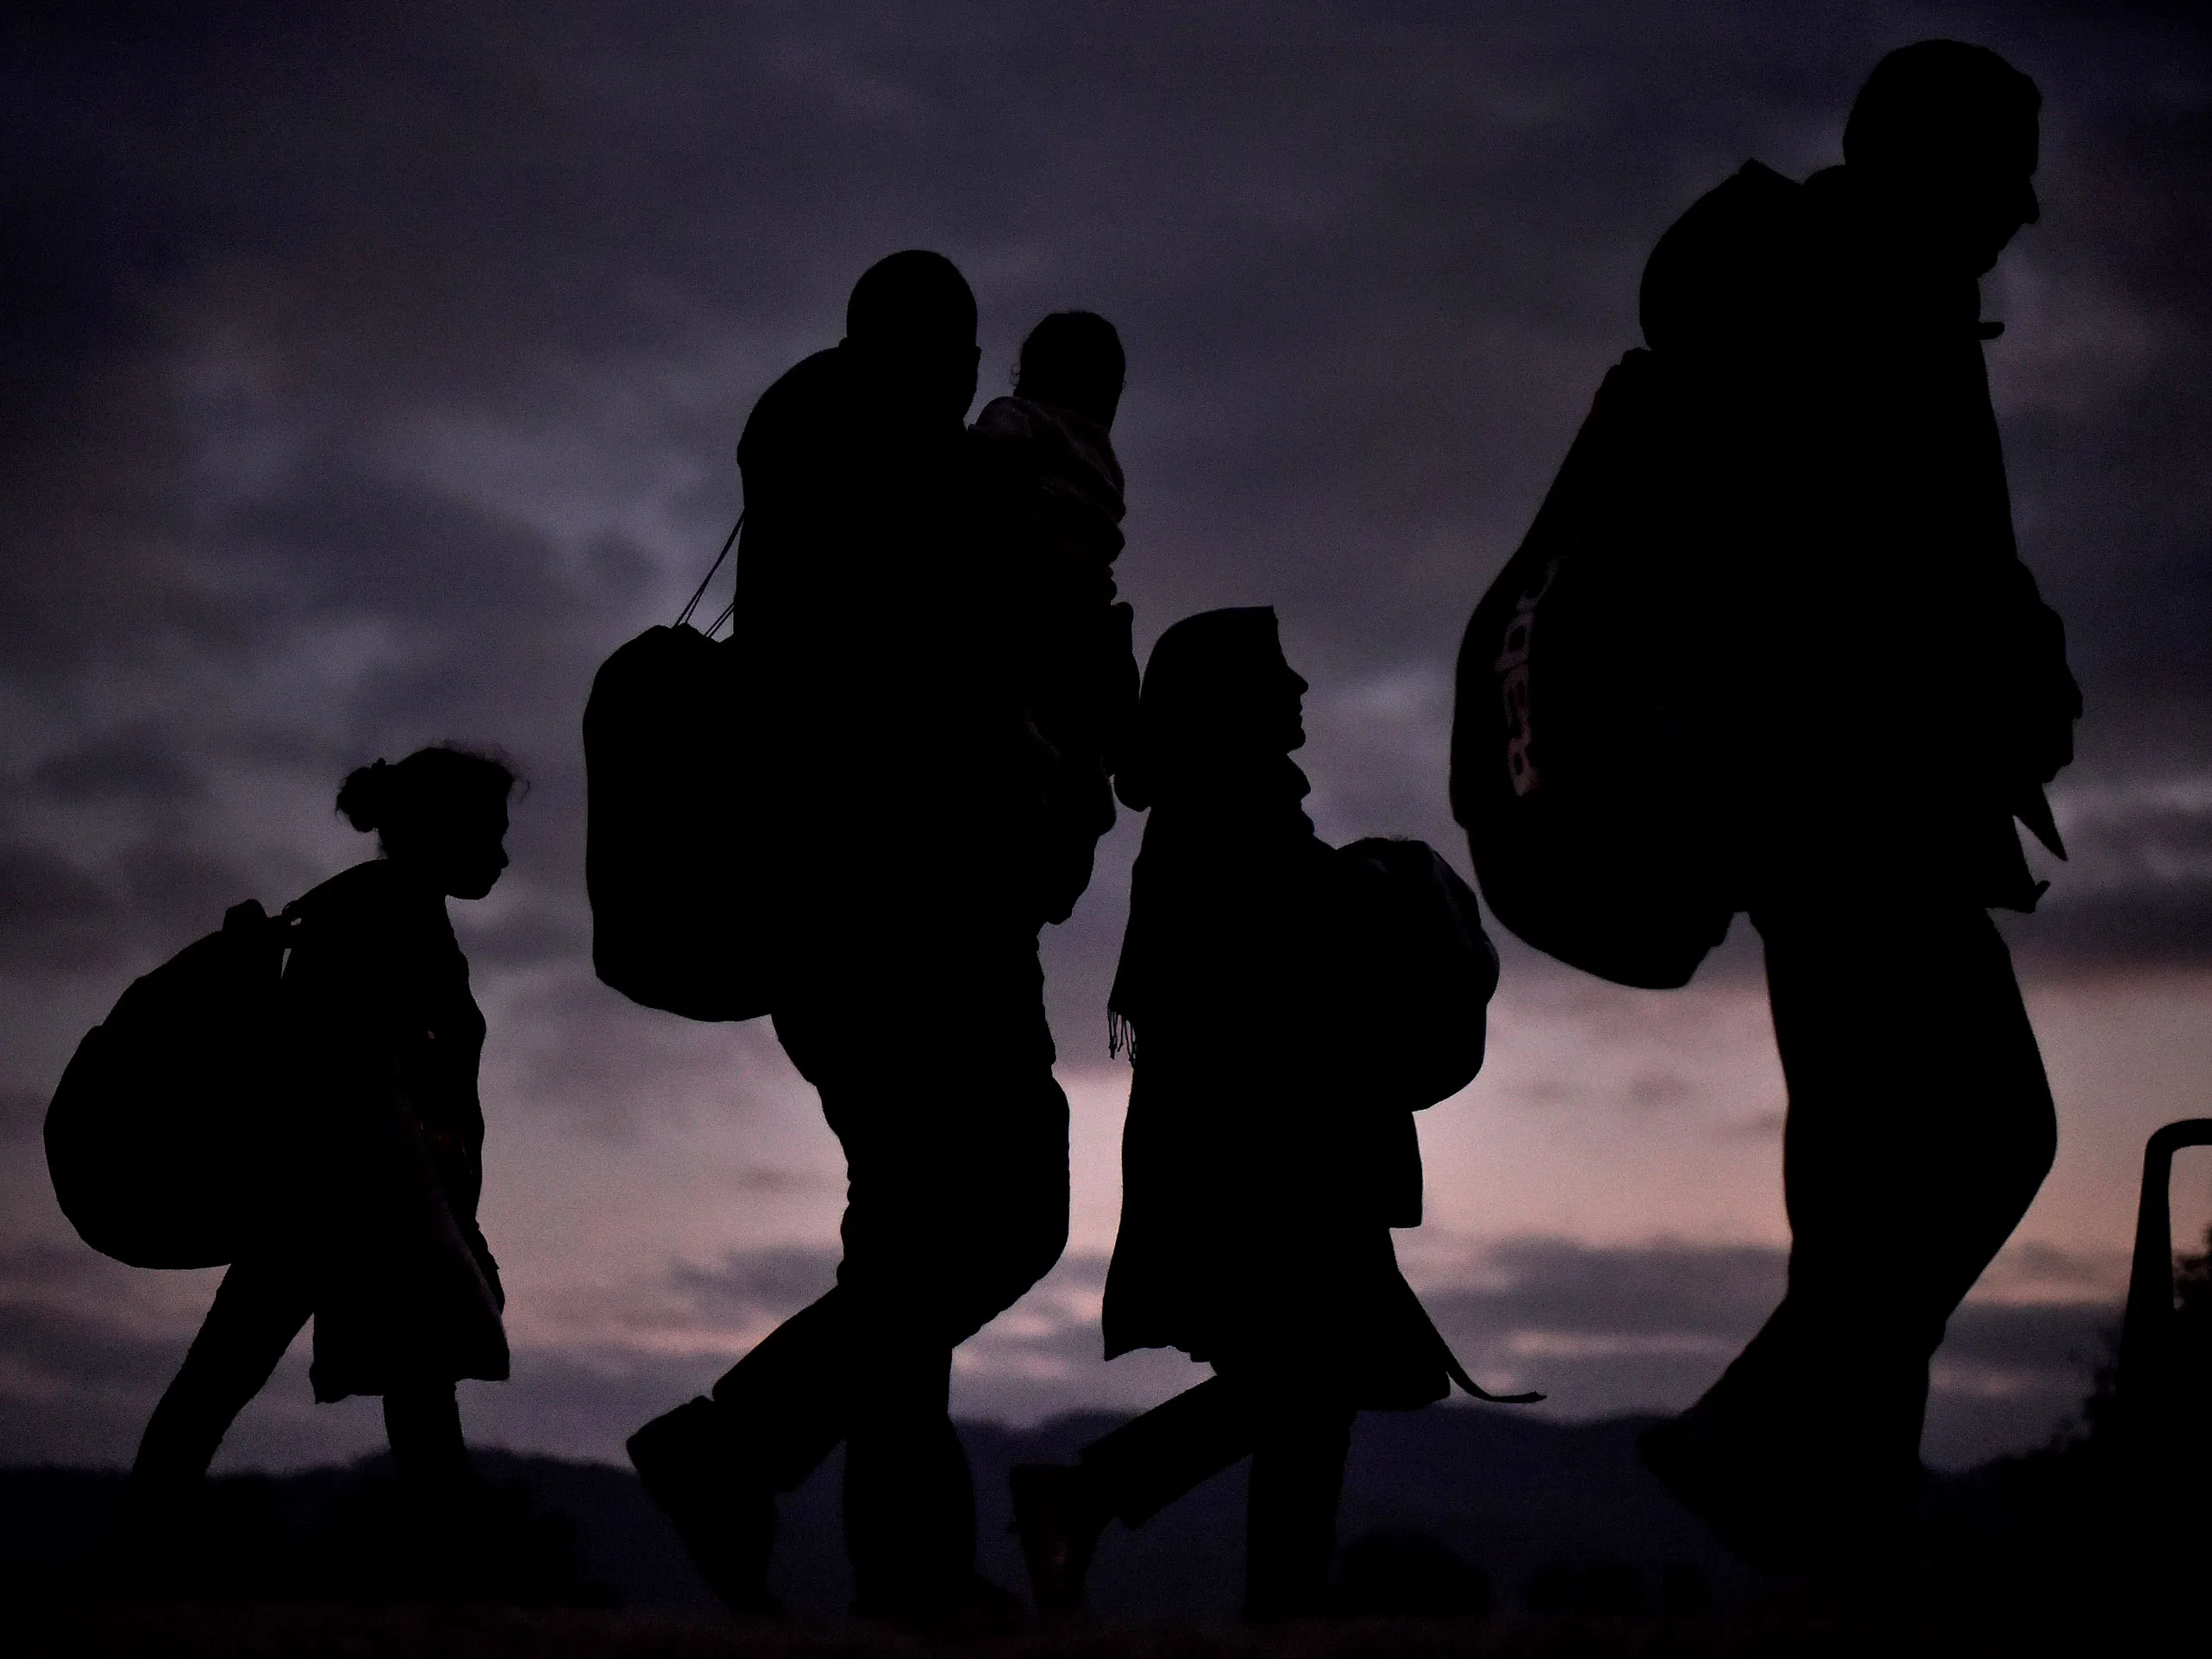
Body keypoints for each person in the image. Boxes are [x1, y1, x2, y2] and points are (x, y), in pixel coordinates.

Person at [1632, 41, 2081, 1575]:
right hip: (1852, 802)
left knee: (1873, 1169)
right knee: (1985, 1135)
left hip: (1812, 800)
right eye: (2006, 164)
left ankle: (1834, 1524)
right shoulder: (1857, 300)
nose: (2026, 203)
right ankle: (1762, 1439)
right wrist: (2002, 669)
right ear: (1929, 157)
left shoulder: (1841, 291)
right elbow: (1881, 570)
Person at [624, 252, 1073, 1621]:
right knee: (1007, 1218)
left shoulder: (803, 478)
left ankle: (910, 1570)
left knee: (906, 1243)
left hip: (822, 932)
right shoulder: (918, 483)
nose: (969, 382)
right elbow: (960, 690)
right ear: (931, 356)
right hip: (926, 920)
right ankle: (731, 1445)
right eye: (961, 356)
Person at [1007, 608, 1523, 1619]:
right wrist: (1391, 879)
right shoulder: (1224, 811)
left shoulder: (1227, 809)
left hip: (1261, 1154)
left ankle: (1265, 1606)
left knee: (1310, 1386)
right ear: (1228, 701)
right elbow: (1291, 954)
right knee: (1309, 1377)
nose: (1298, 690)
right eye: (1275, 675)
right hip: (1263, 1165)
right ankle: (1092, 1495)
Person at [121, 745, 517, 1570]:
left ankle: (132, 1556)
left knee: (235, 1382)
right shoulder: (380, 914)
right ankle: (467, 1590)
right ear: (440, 830)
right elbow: (343, 1060)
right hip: (344, 1198)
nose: (504, 854)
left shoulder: (383, 909)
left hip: (343, 1197)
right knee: (393, 1392)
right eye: (490, 832)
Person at [972, 310, 1141, 925]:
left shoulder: (1019, 420)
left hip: (1025, 584)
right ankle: (1068, 785)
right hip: (1078, 596)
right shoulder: (1105, 460)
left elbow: (984, 459)